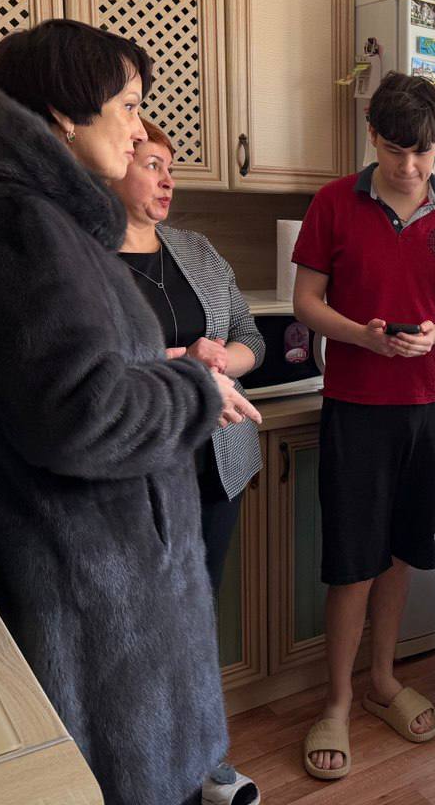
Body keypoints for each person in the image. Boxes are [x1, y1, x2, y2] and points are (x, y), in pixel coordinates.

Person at [0, 19, 262, 805]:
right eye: (128, 106)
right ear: (66, 112)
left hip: (46, 571)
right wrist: (195, 388)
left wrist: (154, 371)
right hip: (89, 602)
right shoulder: (22, 222)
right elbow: (81, 414)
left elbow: (47, 382)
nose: (137, 129)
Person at [291, 72, 435, 781]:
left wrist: (434, 335)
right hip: (357, 404)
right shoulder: (333, 204)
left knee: (403, 553)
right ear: (373, 136)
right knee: (352, 562)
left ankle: (381, 681)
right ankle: (337, 700)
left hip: (430, 406)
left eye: (424, 152)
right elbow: (306, 301)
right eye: (397, 150)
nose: (410, 166)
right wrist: (362, 336)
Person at [108, 120, 264, 805]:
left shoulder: (197, 250)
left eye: (170, 166)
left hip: (214, 468)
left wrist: (223, 361)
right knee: (139, 622)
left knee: (200, 614)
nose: (168, 179)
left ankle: (203, 755)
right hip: (135, 475)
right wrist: (184, 364)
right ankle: (144, 767)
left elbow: (251, 335)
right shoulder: (84, 260)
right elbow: (93, 367)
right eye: (151, 163)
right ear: (113, 165)